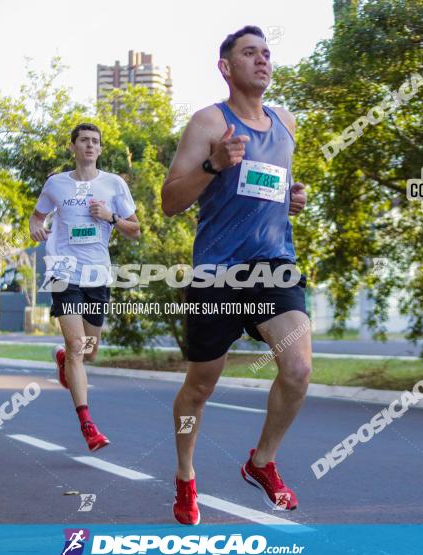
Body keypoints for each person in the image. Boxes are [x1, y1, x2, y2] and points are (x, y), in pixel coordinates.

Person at [161, 26, 310, 525]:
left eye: (267, 53)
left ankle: (261, 462)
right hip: (217, 272)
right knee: (200, 387)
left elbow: (272, 187)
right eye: (250, 53)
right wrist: (213, 162)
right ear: (226, 67)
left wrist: (294, 199)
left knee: (299, 369)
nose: (262, 60)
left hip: (273, 264)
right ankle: (185, 476)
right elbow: (170, 201)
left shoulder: (285, 123)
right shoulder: (208, 121)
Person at [29, 122, 141, 452]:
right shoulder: (56, 184)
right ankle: (88, 424)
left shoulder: (114, 185)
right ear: (73, 147)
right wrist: (37, 226)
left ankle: (65, 358)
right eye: (84, 141)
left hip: (97, 275)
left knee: (89, 350)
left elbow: (135, 230)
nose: (90, 146)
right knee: (78, 345)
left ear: (100, 149)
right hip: (63, 270)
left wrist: (109, 217)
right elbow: (38, 216)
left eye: (95, 142)